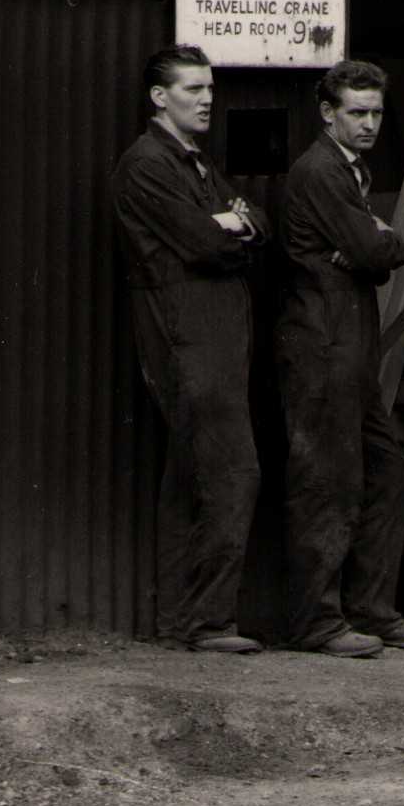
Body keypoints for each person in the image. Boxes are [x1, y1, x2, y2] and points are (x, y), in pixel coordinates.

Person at [110, 44, 265, 654]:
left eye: (209, 88)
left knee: (192, 473)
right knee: (231, 471)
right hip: (187, 335)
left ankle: (180, 620)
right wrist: (227, 226)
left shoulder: (192, 161)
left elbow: (258, 222)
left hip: (212, 335)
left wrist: (236, 223)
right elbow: (204, 243)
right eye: (193, 89)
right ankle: (207, 623)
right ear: (159, 97)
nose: (206, 100)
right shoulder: (146, 165)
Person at [277, 60, 404, 658]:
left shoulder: (348, 171)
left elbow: (369, 254)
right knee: (327, 482)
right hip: (322, 349)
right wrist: (373, 241)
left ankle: (371, 610)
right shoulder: (321, 171)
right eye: (357, 112)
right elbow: (373, 249)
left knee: (386, 471)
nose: (369, 124)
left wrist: (370, 247)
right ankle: (314, 623)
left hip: (349, 349)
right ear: (328, 113)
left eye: (376, 113)